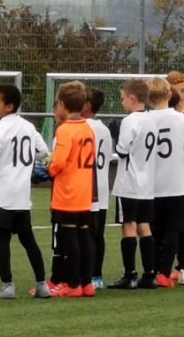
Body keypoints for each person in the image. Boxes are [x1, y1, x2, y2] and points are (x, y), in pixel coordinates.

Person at [0, 84, 51, 300]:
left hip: (2, 195)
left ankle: (8, 286)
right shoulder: (28, 127)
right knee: (29, 241)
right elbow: (43, 152)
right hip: (22, 197)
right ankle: (42, 285)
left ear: (9, 106)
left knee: (2, 242)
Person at [46, 81, 98, 298]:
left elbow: (58, 163)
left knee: (69, 239)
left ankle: (73, 283)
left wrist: (48, 168)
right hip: (85, 191)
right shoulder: (88, 127)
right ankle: (87, 283)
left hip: (68, 192)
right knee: (84, 236)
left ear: (62, 104)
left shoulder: (65, 130)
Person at [108, 79, 159, 289]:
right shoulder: (152, 120)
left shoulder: (130, 121)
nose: (122, 103)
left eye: (122, 99)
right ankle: (150, 274)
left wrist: (114, 135)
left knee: (128, 226)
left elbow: (122, 151)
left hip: (128, 182)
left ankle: (130, 275)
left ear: (131, 98)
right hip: (147, 183)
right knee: (144, 226)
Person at [147, 78, 184, 288]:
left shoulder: (144, 119)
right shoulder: (181, 119)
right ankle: (164, 273)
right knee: (172, 231)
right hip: (176, 183)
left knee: (154, 230)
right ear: (169, 95)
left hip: (150, 184)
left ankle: (152, 269)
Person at [82, 87, 114, 290]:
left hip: (86, 187)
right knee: (98, 234)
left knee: (85, 233)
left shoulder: (82, 127)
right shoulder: (104, 129)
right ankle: (97, 275)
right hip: (102, 185)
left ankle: (83, 274)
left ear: (86, 105)